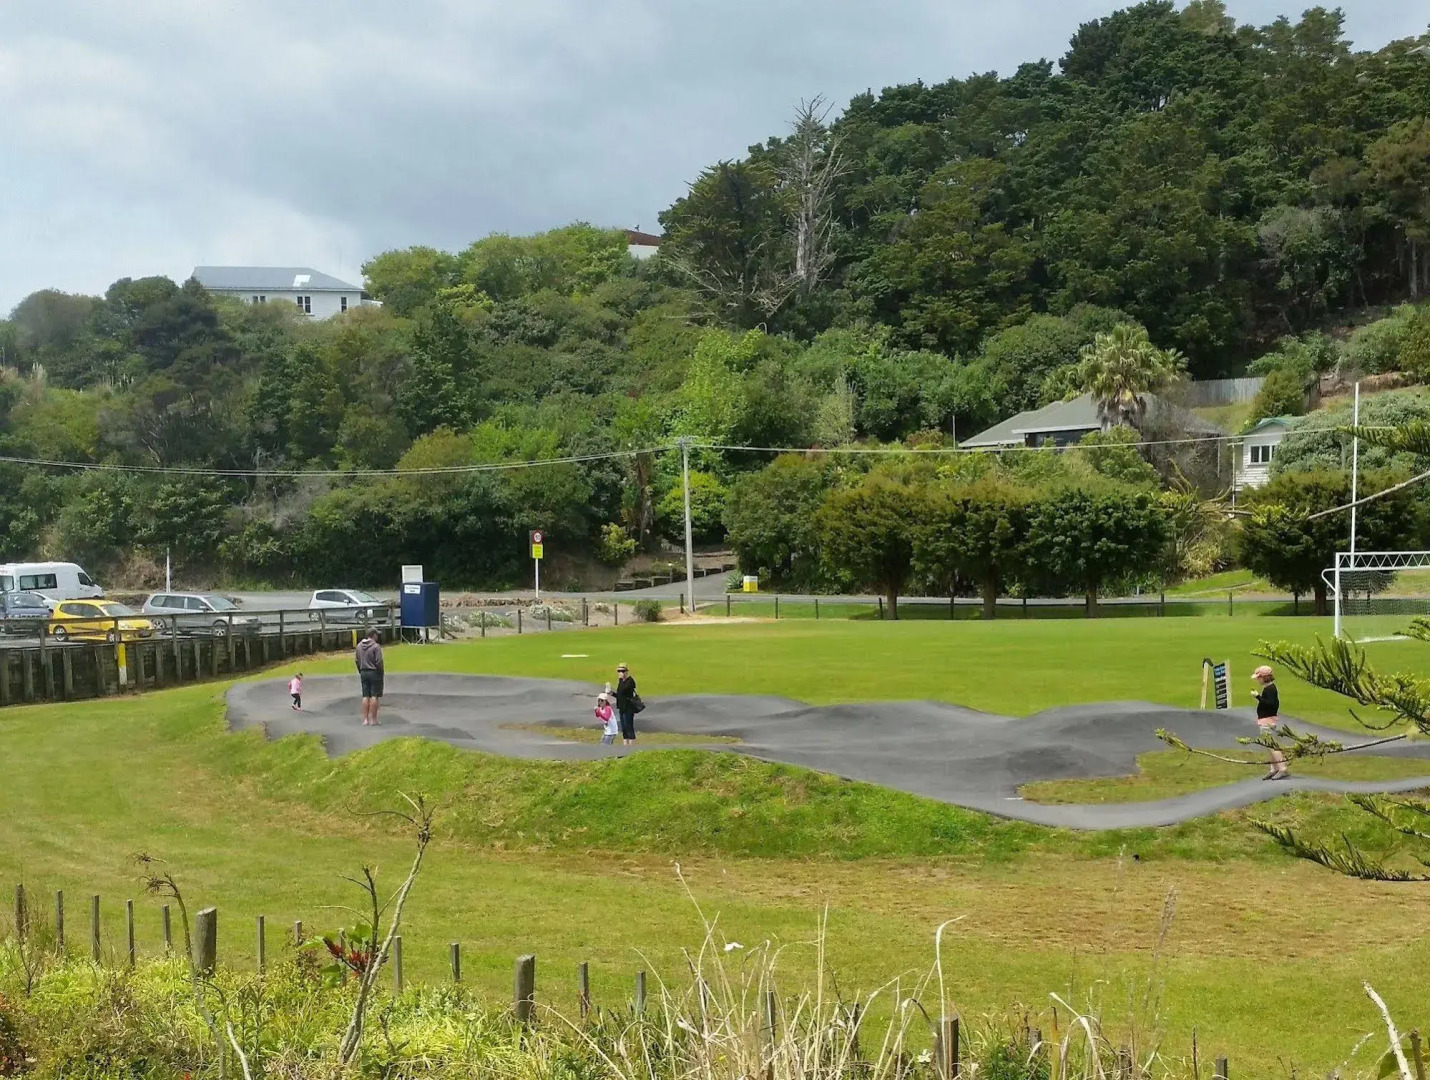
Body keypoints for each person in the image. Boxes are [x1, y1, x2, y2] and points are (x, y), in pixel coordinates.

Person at [1252, 664, 1288, 780]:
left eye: (1259, 678)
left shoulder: (1271, 689)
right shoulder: (1268, 688)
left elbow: (1271, 704)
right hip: (1265, 720)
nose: (1258, 680)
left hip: (1267, 721)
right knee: (1269, 746)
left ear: (1264, 677)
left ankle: (1282, 768)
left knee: (1272, 746)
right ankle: (1274, 768)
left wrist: (1258, 697)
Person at [356, 629, 384, 726]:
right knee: (374, 695)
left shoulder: (359, 646)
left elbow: (357, 660)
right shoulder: (376, 646)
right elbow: (379, 661)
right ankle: (374, 719)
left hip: (363, 672)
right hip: (374, 672)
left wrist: (360, 670)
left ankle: (365, 719)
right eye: (377, 635)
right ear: (373, 635)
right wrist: (381, 672)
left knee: (365, 695)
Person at [614, 663, 637, 746]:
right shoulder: (621, 681)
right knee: (623, 728)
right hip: (621, 707)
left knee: (629, 727)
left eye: (622, 671)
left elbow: (623, 691)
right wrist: (612, 693)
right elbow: (619, 695)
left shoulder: (630, 681)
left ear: (626, 672)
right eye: (619, 671)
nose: (620, 673)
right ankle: (625, 747)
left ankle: (631, 747)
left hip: (628, 707)